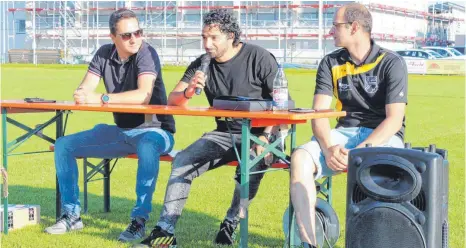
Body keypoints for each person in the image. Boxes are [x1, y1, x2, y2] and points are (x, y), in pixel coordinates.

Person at [134, 9, 283, 247]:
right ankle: (165, 230)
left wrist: (266, 136)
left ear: (231, 36)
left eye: (213, 38)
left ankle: (230, 224)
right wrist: (189, 91)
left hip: (263, 134)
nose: (207, 43)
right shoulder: (202, 64)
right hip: (224, 134)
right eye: (204, 37)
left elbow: (281, 103)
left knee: (253, 160)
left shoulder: (260, 57)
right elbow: (173, 100)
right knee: (182, 160)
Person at [44, 9, 176, 243]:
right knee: (63, 145)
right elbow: (85, 89)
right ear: (112, 37)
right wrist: (82, 94)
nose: (134, 38)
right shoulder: (104, 54)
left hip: (156, 131)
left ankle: (139, 221)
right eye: (126, 35)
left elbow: (143, 96)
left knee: (147, 145)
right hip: (121, 133)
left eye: (138, 32)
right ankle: (72, 215)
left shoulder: (146, 53)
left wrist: (103, 98)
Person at [289, 3, 408, 248]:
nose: (330, 31)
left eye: (336, 26)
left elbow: (394, 119)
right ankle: (309, 243)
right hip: (343, 136)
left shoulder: (391, 62)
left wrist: (359, 152)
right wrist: (329, 147)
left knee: (377, 173)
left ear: (354, 27)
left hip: (382, 138)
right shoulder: (330, 62)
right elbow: (319, 113)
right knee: (300, 157)